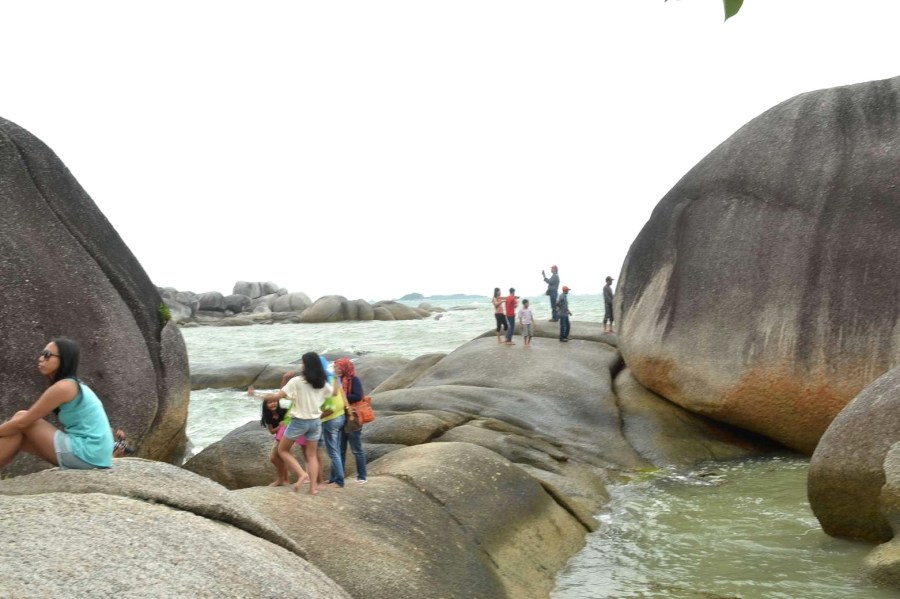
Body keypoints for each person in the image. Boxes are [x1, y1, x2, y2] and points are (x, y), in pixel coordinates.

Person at [0, 337, 114, 470]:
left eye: (47, 355)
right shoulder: (73, 385)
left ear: (63, 360)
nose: (41, 358)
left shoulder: (64, 387)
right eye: (42, 354)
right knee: (17, 438)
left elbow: (23, 422)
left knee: (22, 417)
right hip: (95, 456)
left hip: (86, 453)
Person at [249, 352, 331, 495]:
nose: (301, 365)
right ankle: (313, 488)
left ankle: (302, 474)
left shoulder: (297, 381)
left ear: (307, 365)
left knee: (282, 450)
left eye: (303, 363)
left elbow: (278, 396)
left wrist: (256, 394)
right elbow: (332, 393)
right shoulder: (322, 382)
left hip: (299, 422)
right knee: (312, 456)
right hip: (315, 422)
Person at [335, 357, 368, 484]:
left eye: (338, 367)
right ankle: (339, 476)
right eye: (336, 366)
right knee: (340, 449)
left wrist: (341, 398)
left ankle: (362, 476)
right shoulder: (335, 380)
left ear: (344, 368)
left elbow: (358, 395)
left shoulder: (353, 380)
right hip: (340, 416)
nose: (336, 369)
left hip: (352, 416)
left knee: (356, 448)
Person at [319, 380, 347, 488]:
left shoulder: (322, 384)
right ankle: (333, 478)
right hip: (341, 416)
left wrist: (316, 417)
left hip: (331, 419)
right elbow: (342, 395)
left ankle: (339, 480)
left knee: (333, 451)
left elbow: (329, 408)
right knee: (336, 449)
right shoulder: (333, 379)